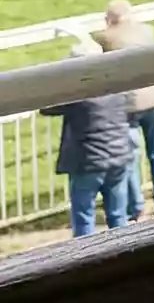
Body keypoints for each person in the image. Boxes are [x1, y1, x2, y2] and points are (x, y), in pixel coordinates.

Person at [88, 0, 154, 218]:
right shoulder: (147, 31)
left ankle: (136, 206)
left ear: (109, 19)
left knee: (130, 156)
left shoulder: (104, 38)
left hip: (128, 105)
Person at [44, 73, 137, 236]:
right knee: (118, 216)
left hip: (88, 162)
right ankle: (125, 253)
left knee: (84, 218)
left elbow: (46, 108)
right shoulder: (119, 89)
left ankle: (86, 256)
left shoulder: (76, 95)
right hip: (118, 157)